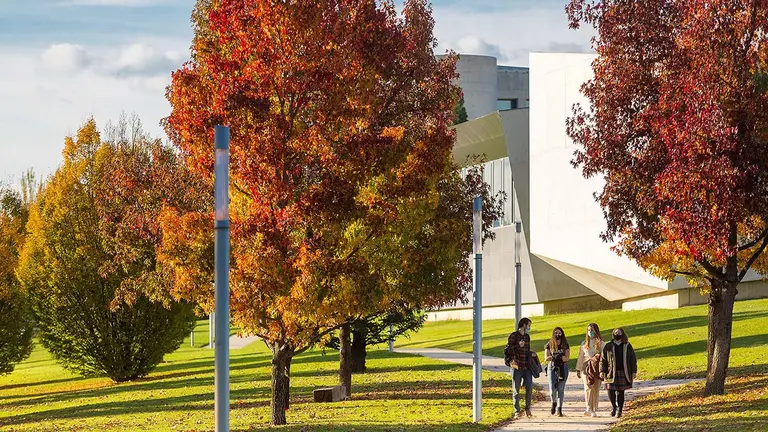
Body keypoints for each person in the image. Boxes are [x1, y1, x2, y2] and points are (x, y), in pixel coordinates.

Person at [601, 327, 637, 418]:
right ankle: (614, 407)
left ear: (622, 333)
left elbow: (633, 359)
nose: (617, 334)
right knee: (610, 391)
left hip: (623, 371)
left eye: (619, 332)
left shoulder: (627, 345)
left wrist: (633, 371)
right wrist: (602, 371)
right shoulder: (608, 346)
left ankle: (620, 410)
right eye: (615, 332)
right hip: (610, 372)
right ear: (613, 334)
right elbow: (603, 359)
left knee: (621, 392)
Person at [575, 323, 605, 417]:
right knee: (588, 387)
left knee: (595, 388)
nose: (590, 332)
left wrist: (603, 371)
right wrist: (578, 369)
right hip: (586, 367)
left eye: (592, 330)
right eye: (588, 330)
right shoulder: (584, 344)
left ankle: (593, 408)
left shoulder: (600, 343)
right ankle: (588, 408)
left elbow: (604, 358)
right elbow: (581, 357)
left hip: (596, 368)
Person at [507, 317, 533, 419]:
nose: (529, 327)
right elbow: (508, 350)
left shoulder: (527, 337)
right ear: (524, 325)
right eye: (529, 325)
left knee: (529, 387)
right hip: (516, 366)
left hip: (526, 366)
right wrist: (518, 346)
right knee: (516, 390)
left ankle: (527, 408)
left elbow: (527, 350)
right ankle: (517, 411)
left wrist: (532, 355)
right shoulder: (513, 336)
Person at [544, 326, 570, 417]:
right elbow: (546, 357)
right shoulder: (550, 344)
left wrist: (563, 358)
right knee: (552, 390)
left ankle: (559, 409)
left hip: (563, 368)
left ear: (562, 334)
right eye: (556, 333)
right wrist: (553, 357)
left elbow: (567, 357)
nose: (557, 334)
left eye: (559, 333)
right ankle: (553, 402)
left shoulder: (565, 344)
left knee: (561, 389)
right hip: (552, 367)